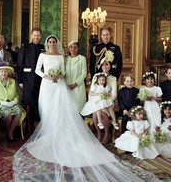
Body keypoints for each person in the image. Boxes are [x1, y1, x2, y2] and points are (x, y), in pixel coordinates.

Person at [13, 35, 144, 181]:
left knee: (59, 110)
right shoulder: (43, 54)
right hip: (47, 85)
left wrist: (59, 75)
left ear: (56, 43)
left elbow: (63, 71)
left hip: (59, 86)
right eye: (50, 42)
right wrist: (48, 76)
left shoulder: (61, 55)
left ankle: (59, 134)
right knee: (47, 109)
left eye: (54, 42)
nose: (52, 43)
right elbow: (37, 70)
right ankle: (48, 133)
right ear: (47, 43)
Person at [17, 28, 45, 133]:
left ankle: (41, 126)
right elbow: (20, 65)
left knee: (40, 103)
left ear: (41, 36)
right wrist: (20, 81)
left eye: (38, 35)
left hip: (41, 80)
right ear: (31, 36)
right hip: (28, 80)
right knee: (30, 103)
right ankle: (30, 127)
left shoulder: (43, 48)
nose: (36, 37)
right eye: (35, 35)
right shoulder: (25, 47)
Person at [0, 62, 22, 142]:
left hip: (12, 103)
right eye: (2, 71)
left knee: (18, 112)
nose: (4, 73)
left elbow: (16, 95)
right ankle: (10, 133)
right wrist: (2, 103)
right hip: (0, 104)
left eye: (5, 71)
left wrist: (14, 101)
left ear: (8, 72)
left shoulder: (13, 81)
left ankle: (9, 132)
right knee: (8, 114)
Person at [91, 51, 118, 143]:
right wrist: (96, 99)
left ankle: (106, 134)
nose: (104, 67)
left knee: (102, 113)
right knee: (95, 113)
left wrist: (107, 101)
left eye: (106, 65)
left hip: (108, 102)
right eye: (103, 65)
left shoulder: (113, 79)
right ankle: (99, 133)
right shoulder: (96, 76)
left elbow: (114, 94)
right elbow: (92, 90)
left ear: (110, 66)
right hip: (97, 100)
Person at [64, 41, 87, 111]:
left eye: (75, 47)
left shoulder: (82, 58)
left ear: (78, 48)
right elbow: (64, 73)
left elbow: (84, 73)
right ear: (69, 48)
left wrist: (75, 84)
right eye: (71, 47)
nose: (73, 49)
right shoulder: (66, 59)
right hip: (68, 87)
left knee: (78, 109)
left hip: (78, 86)